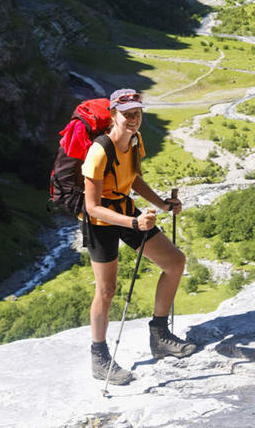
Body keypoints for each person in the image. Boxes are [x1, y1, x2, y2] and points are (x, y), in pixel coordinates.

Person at [82, 87, 197, 385]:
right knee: (106, 290)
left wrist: (162, 204)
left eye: (137, 113)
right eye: (127, 114)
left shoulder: (135, 140)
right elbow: (91, 206)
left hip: (125, 210)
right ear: (113, 114)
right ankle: (99, 357)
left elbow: (134, 179)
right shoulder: (98, 151)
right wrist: (133, 223)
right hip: (100, 222)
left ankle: (159, 336)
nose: (133, 119)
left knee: (175, 262)